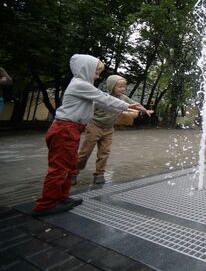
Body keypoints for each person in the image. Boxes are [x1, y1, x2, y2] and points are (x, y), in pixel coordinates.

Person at [32, 54, 150, 216]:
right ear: (85, 69)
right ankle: (46, 204)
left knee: (69, 164)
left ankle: (61, 197)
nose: (97, 76)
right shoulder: (80, 85)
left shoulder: (82, 85)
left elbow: (104, 100)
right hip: (64, 129)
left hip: (72, 129)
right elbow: (104, 99)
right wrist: (130, 107)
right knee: (59, 167)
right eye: (96, 72)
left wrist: (130, 106)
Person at [74, 74, 153, 185]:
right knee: (85, 152)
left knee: (104, 152)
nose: (123, 89)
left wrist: (145, 111)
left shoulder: (123, 98)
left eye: (124, 86)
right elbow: (89, 108)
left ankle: (99, 174)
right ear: (112, 86)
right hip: (94, 127)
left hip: (108, 129)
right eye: (119, 86)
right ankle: (73, 172)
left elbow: (136, 105)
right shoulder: (103, 97)